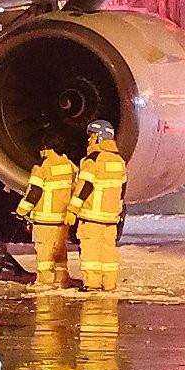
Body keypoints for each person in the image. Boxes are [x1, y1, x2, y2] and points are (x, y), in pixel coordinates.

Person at [67, 119, 128, 292]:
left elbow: (84, 188)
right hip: (110, 217)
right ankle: (109, 284)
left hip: (92, 216)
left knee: (91, 252)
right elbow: (122, 190)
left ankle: (92, 283)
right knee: (109, 252)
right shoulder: (119, 161)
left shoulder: (92, 161)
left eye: (91, 137)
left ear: (99, 138)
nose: (89, 140)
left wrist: (73, 210)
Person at [15, 135, 78, 288]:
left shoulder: (42, 168)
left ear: (47, 149)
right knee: (60, 254)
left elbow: (34, 192)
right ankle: (61, 281)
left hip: (45, 220)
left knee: (45, 255)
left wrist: (21, 211)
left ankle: (45, 282)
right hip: (62, 220)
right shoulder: (70, 166)